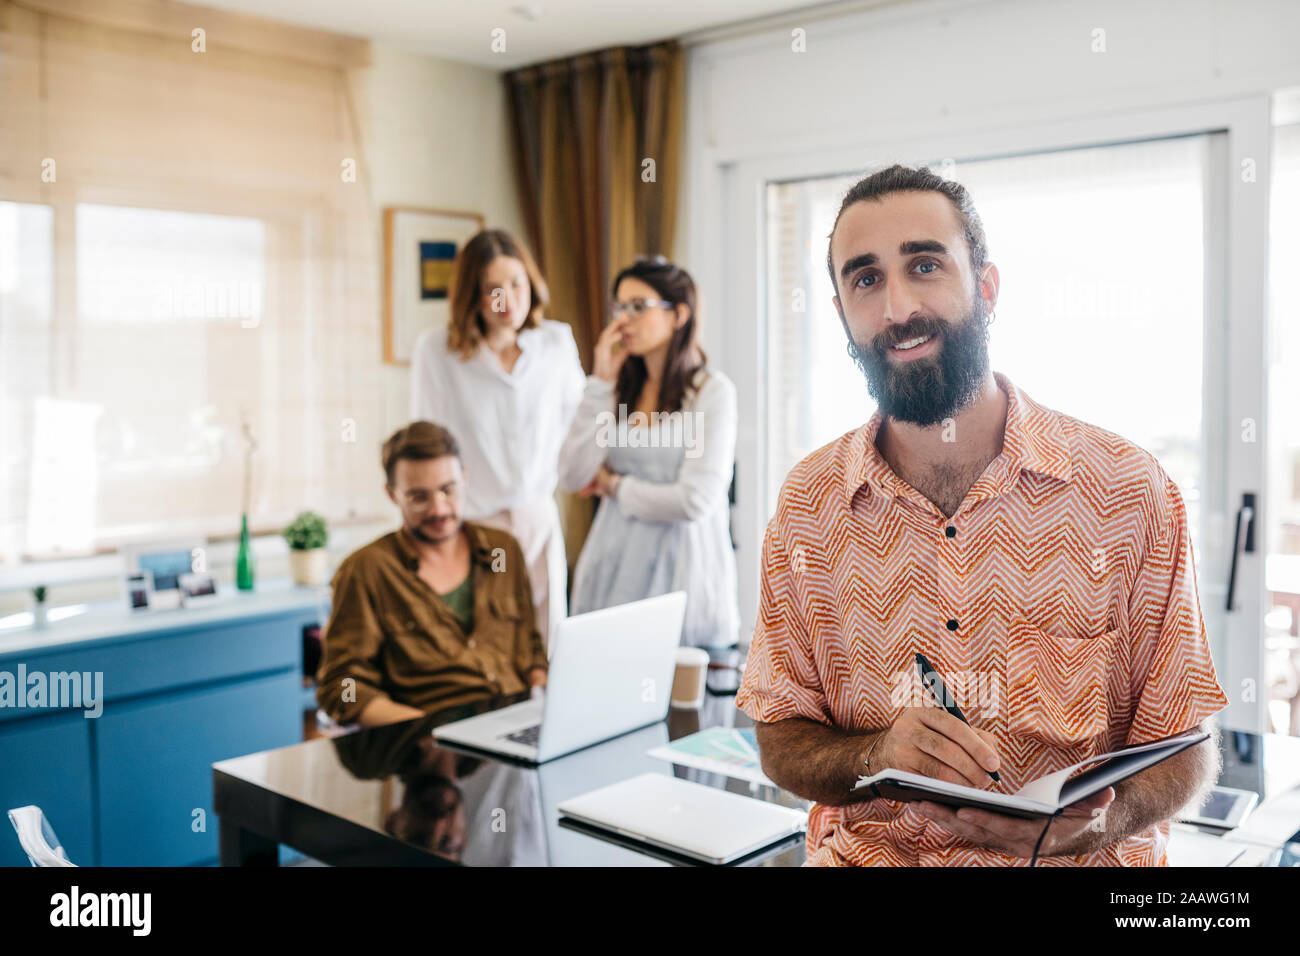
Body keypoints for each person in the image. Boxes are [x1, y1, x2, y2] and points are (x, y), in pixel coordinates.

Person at [737, 163, 1230, 866]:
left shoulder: (1127, 489)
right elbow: (780, 740)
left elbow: (1188, 753)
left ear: (987, 288)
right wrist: (877, 754)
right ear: (843, 310)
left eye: (925, 264)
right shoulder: (808, 507)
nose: (898, 307)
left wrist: (1090, 828)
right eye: (866, 279)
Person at [410, 229, 584, 651]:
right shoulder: (438, 351)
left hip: (539, 519)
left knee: (547, 649)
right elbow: (426, 444)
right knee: (484, 651)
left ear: (531, 284)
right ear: (472, 295)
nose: (508, 299)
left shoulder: (555, 343)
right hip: (477, 526)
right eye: (493, 289)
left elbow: (580, 429)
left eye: (516, 284)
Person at [315, 421, 547, 728]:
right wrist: (419, 730)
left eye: (448, 490)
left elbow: (531, 650)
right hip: (427, 745)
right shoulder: (366, 571)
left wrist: (545, 705)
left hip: (515, 728)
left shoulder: (502, 550)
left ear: (464, 479)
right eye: (418, 497)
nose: (439, 510)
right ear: (392, 494)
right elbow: (341, 688)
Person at [560, 255, 739, 648]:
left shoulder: (711, 393)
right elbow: (573, 476)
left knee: (681, 694)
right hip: (614, 559)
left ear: (679, 315)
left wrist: (615, 487)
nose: (622, 320)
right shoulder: (616, 390)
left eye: (638, 307)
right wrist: (600, 381)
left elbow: (694, 500)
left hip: (683, 563)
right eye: (619, 307)